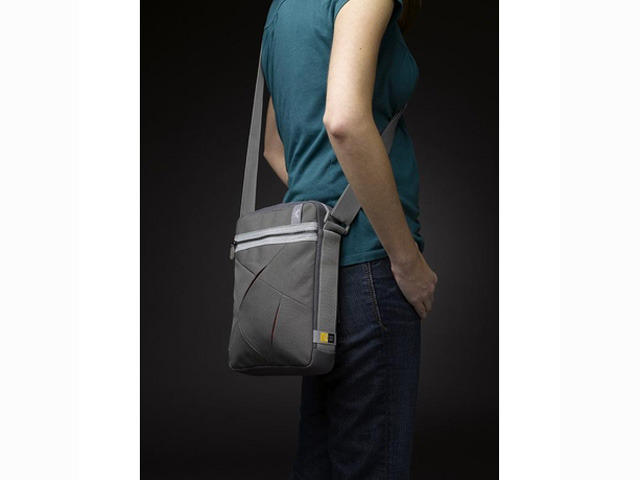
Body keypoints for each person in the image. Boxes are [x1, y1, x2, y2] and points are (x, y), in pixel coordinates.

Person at [260, 0, 437, 477]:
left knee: (320, 459)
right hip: (372, 268)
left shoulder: (281, 10)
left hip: (312, 265)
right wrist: (405, 259)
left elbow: (274, 145)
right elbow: (344, 120)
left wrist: (327, 210)